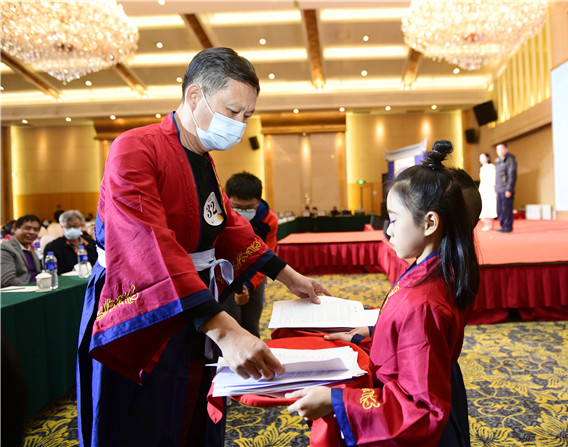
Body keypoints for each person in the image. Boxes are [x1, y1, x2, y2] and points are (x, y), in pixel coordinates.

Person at [76, 47, 330, 447]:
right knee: (145, 418)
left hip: (194, 300)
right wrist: (225, 330)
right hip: (145, 304)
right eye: (233, 111)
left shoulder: (201, 157)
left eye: (247, 116)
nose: (239, 125)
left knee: (192, 405)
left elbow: (225, 224)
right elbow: (148, 245)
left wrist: (286, 274)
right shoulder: (134, 148)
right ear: (195, 95)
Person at [286, 140, 479, 447]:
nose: (388, 230)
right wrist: (362, 339)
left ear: (430, 222)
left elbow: (421, 409)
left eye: (395, 219)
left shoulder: (423, 303)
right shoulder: (432, 272)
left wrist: (336, 401)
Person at [221, 172, 278, 338]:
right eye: (237, 206)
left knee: (251, 324)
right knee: (231, 325)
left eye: (249, 208)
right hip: (226, 276)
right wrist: (235, 283)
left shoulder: (269, 220)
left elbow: (267, 256)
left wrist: (248, 284)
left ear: (258, 201)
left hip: (256, 275)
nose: (242, 212)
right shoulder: (220, 215)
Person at [43, 209, 98, 274]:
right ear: (62, 227)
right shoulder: (52, 247)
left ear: (82, 226)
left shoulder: (91, 243)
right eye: (68, 226)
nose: (72, 229)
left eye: (75, 226)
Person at [0, 215, 42, 287]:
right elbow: (7, 280)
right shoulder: (6, 248)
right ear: (15, 229)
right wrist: (31, 288)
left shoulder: (30, 249)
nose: (32, 232)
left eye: (35, 229)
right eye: (27, 228)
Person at [494, 142, 517, 233]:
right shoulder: (498, 162)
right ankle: (503, 226)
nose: (499, 151)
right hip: (499, 189)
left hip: (506, 189)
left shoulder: (510, 160)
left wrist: (509, 189)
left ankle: (507, 227)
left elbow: (512, 175)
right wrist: (496, 190)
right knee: (500, 210)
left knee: (506, 209)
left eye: (501, 149)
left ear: (506, 149)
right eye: (498, 149)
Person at [478, 153, 497, 231]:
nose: (481, 159)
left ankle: (490, 225)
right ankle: (486, 224)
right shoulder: (482, 168)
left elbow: (494, 178)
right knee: (484, 206)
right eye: (480, 158)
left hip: (490, 188)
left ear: (488, 158)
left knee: (490, 206)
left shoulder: (491, 166)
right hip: (483, 189)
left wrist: (495, 189)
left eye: (483, 157)